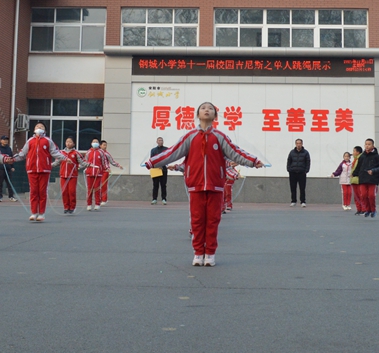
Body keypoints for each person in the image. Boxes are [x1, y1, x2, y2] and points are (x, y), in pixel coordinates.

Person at [146, 102, 262, 267]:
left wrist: (253, 161)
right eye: (203, 108)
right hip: (196, 185)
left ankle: (210, 254)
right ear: (197, 114)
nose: (207, 110)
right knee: (197, 220)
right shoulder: (190, 136)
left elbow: (235, 152)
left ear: (215, 115)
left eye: (210, 109)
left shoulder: (220, 137)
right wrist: (153, 162)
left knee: (213, 220)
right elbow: (173, 152)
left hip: (215, 185)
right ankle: (198, 252)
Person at [12, 123, 68, 219]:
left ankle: (41, 213)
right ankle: (34, 212)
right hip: (32, 169)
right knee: (33, 191)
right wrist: (12, 159)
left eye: (41, 127)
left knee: (42, 192)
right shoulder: (30, 141)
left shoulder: (48, 141)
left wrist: (65, 158)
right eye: (37, 127)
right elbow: (22, 153)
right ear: (34, 130)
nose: (39, 128)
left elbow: (55, 152)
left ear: (45, 130)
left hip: (44, 169)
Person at [352, 139, 379, 218]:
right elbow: (358, 167)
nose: (367, 146)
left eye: (369, 144)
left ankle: (373, 210)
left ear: (373, 146)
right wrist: (354, 173)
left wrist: (374, 172)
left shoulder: (377, 157)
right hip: (363, 179)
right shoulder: (362, 156)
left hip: (372, 179)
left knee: (371, 195)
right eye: (366, 144)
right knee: (364, 195)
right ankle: (367, 210)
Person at [57, 137, 85, 214]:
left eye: (70, 142)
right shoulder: (61, 153)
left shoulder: (76, 153)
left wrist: (82, 166)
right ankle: (66, 207)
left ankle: (72, 207)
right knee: (64, 192)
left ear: (73, 144)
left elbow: (83, 162)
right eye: (67, 141)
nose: (68, 143)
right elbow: (57, 162)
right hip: (63, 175)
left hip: (72, 176)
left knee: (71, 191)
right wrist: (48, 165)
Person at [286, 138, 311, 207]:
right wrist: (289, 169)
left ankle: (303, 201)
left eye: (300, 143)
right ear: (295, 144)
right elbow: (289, 161)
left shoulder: (305, 153)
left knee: (302, 188)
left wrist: (306, 170)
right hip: (293, 172)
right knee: (293, 187)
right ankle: (293, 201)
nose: (298, 145)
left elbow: (308, 162)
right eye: (297, 143)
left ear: (302, 144)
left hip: (302, 172)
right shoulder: (292, 152)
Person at [84, 138, 106, 211]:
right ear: (91, 143)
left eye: (96, 142)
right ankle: (89, 204)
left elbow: (104, 162)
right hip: (89, 173)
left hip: (98, 173)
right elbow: (85, 161)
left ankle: (97, 204)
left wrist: (105, 168)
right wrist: (81, 167)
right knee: (89, 189)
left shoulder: (101, 152)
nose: (95, 143)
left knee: (97, 189)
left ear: (98, 144)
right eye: (94, 142)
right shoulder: (88, 152)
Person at [0, 135, 17, 202]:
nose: (6, 141)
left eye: (6, 139)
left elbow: (11, 157)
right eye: (4, 139)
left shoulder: (9, 148)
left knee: (10, 183)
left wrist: (12, 167)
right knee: (0, 183)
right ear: (1, 140)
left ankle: (11, 196)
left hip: (8, 168)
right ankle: (0, 196)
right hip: (0, 168)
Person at [99, 140, 122, 206]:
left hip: (105, 171)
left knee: (103, 185)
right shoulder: (97, 153)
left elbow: (112, 161)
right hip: (98, 171)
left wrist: (118, 165)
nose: (105, 146)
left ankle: (104, 199)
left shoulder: (106, 154)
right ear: (100, 145)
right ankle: (99, 199)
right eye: (104, 145)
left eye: (106, 145)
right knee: (98, 186)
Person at [150, 137, 168, 205]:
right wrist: (157, 165)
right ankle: (154, 199)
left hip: (163, 170)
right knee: (155, 185)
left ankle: (164, 199)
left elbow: (167, 159)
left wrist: (163, 165)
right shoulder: (153, 150)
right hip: (156, 170)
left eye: (161, 140)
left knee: (163, 185)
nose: (160, 142)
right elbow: (152, 160)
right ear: (157, 142)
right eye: (159, 140)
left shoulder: (166, 149)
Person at [350, 146, 363, 214]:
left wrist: (354, 174)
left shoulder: (360, 159)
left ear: (358, 152)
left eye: (354, 151)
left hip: (358, 179)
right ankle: (359, 209)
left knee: (360, 194)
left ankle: (363, 208)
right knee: (356, 195)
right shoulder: (355, 160)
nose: (353, 153)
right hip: (354, 179)